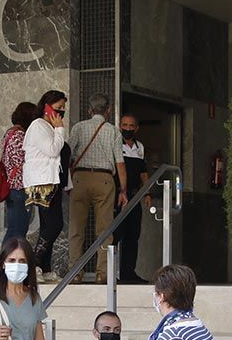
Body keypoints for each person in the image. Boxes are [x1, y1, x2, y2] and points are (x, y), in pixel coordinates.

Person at [66, 94, 127, 284]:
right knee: (104, 230)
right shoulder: (114, 131)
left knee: (76, 228)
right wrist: (123, 190)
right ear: (108, 110)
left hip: (80, 179)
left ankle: (75, 272)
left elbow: (67, 154)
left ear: (89, 110)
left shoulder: (78, 127)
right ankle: (102, 274)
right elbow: (120, 163)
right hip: (105, 180)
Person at [24, 90, 68, 283]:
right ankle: (34, 265)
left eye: (63, 109)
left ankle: (45, 268)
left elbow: (59, 161)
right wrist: (59, 129)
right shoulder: (39, 126)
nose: (61, 113)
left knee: (48, 226)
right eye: (58, 109)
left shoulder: (48, 127)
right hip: (42, 183)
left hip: (53, 181)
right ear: (46, 107)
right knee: (54, 224)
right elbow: (52, 150)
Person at [112, 113, 151, 284]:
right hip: (117, 196)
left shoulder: (139, 147)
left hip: (135, 197)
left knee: (133, 234)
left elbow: (143, 173)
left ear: (136, 128)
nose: (127, 129)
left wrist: (147, 193)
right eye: (125, 125)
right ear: (120, 126)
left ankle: (128, 272)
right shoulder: (115, 144)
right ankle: (110, 273)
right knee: (115, 234)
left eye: (131, 126)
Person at [0, 102, 37, 244]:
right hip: (19, 187)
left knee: (15, 229)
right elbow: (24, 161)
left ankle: (5, 263)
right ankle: (5, 264)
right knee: (18, 231)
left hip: (12, 188)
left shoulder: (9, 133)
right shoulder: (19, 135)